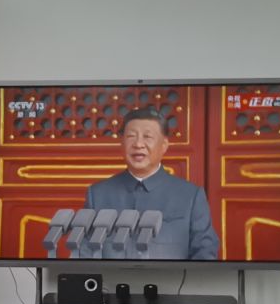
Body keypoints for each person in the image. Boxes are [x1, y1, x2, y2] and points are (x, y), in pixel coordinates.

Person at [78, 108, 219, 260]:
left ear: (164, 145)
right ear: (122, 143)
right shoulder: (98, 194)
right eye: (131, 136)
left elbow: (205, 253)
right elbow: (85, 252)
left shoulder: (190, 196)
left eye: (148, 137)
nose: (138, 144)